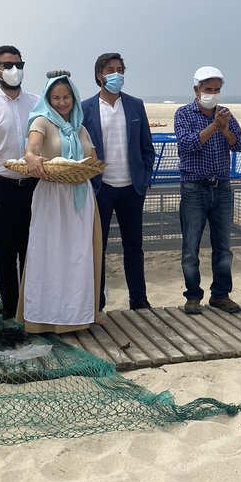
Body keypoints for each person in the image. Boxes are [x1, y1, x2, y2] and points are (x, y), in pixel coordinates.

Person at [19, 70, 103, 333]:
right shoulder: (42, 122)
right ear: (48, 98)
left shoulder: (80, 127)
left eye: (66, 97)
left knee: (78, 255)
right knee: (50, 255)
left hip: (79, 196)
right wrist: (31, 157)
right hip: (53, 198)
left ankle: (77, 316)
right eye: (55, 97)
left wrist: (90, 164)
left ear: (74, 98)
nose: (62, 102)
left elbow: (92, 156)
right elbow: (32, 149)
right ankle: (45, 319)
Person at [82, 52, 156, 311]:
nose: (117, 74)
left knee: (134, 247)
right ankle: (97, 302)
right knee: (97, 248)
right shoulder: (85, 108)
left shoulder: (135, 105)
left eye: (120, 69)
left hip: (131, 189)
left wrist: (144, 180)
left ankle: (139, 300)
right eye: (110, 70)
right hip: (101, 189)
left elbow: (147, 147)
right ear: (99, 75)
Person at [174, 66, 241, 315]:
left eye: (216, 90)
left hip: (222, 188)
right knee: (191, 248)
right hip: (194, 189)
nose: (212, 94)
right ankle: (193, 296)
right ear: (196, 90)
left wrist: (224, 128)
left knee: (223, 247)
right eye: (208, 90)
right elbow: (187, 145)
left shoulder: (225, 115)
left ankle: (221, 295)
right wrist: (214, 127)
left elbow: (238, 145)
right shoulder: (183, 114)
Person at [0, 45, 38, 320]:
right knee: (5, 253)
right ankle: (9, 311)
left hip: (33, 187)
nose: (14, 70)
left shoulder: (38, 102)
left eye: (19, 64)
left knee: (32, 250)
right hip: (0, 187)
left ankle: (30, 310)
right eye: (8, 65)